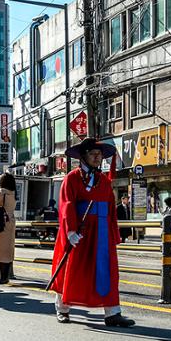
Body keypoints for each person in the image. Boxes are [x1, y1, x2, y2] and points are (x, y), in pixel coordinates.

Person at [51, 138, 135, 328]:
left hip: (102, 234)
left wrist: (114, 234)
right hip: (79, 232)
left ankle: (113, 312)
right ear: (84, 156)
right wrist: (71, 230)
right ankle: (62, 308)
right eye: (93, 154)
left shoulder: (104, 182)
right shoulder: (71, 178)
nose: (97, 158)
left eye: (99, 155)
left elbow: (111, 210)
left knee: (107, 272)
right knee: (71, 268)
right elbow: (67, 205)